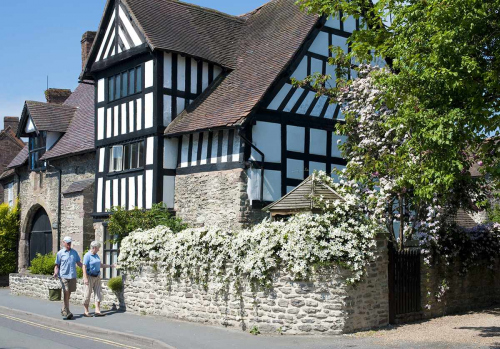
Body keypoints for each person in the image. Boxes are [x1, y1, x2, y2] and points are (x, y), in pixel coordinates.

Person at [82, 241, 116, 317]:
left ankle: (97, 311)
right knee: (87, 294)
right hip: (89, 276)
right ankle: (86, 311)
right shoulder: (87, 255)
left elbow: (100, 265)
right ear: (93, 248)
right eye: (98, 248)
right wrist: (85, 278)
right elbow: (84, 266)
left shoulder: (96, 255)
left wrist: (110, 266)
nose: (98, 249)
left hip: (97, 276)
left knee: (98, 293)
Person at [53, 236, 82, 320]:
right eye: (67, 243)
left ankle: (63, 309)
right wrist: (55, 273)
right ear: (64, 242)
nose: (69, 244)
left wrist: (85, 268)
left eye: (70, 243)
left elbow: (78, 263)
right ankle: (67, 311)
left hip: (72, 276)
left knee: (68, 294)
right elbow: (57, 265)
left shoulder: (74, 252)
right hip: (63, 276)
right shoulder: (60, 253)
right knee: (66, 291)